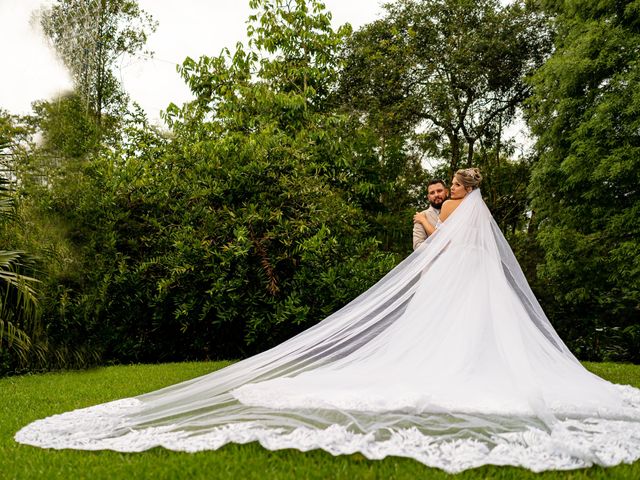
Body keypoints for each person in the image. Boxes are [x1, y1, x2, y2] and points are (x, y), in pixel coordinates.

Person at [15, 168, 640, 473]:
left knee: (434, 357)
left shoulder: (444, 219)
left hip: (444, 295)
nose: (443, 190)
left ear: (460, 192)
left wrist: (426, 224)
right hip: (469, 299)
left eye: (449, 185)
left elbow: (427, 252)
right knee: (472, 349)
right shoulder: (478, 222)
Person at [412, 179, 449, 250]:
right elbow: (417, 245)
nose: (436, 195)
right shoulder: (421, 216)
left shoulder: (456, 210)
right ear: (429, 197)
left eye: (439, 191)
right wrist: (443, 250)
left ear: (446, 192)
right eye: (432, 193)